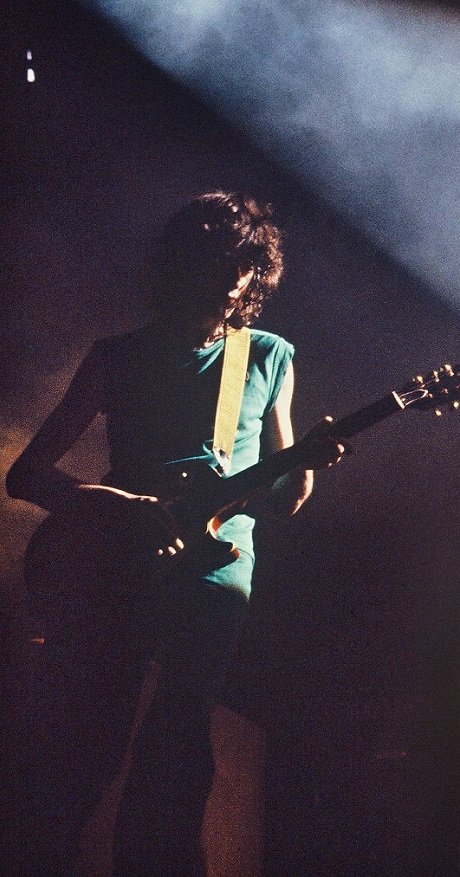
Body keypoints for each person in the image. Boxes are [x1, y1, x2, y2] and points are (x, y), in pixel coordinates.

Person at [5, 190, 344, 875]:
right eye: (220, 263)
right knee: (83, 745)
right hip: (114, 564)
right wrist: (115, 502)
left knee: (179, 746)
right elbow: (27, 474)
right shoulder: (117, 356)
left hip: (215, 569)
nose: (233, 281)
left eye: (246, 268)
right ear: (184, 263)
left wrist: (307, 467)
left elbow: (282, 499)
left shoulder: (269, 354)